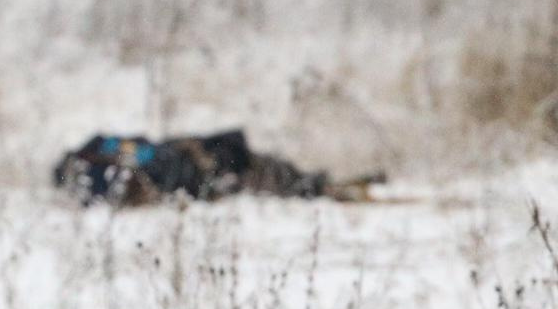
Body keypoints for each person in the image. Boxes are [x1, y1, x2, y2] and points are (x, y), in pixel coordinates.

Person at [53, 128, 380, 207]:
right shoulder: (98, 151)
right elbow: (142, 146)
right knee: (258, 169)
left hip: (195, 166)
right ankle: (320, 187)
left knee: (256, 169)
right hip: (197, 163)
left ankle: (320, 186)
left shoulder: (96, 157)